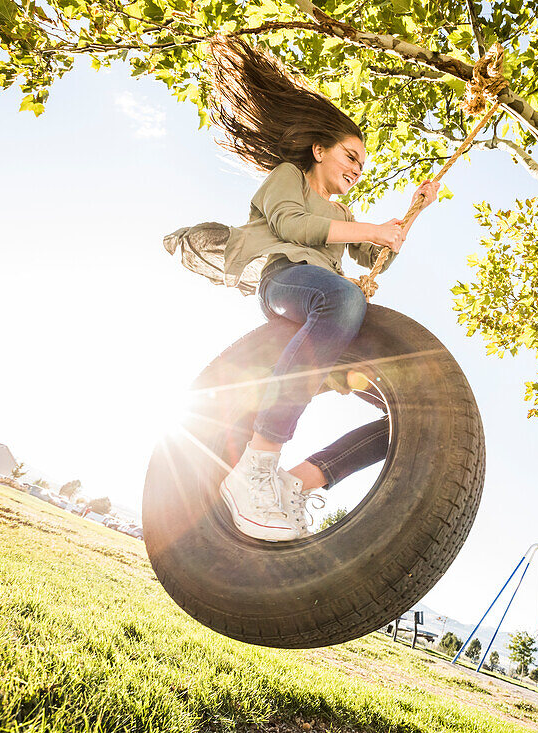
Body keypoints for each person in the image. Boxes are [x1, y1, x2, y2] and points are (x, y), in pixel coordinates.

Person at [210, 38, 438, 542]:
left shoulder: (342, 213)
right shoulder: (288, 177)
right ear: (319, 150)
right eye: (351, 156)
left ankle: (298, 482)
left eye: (363, 166)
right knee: (341, 297)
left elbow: (370, 256)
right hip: (287, 282)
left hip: (331, 304)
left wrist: (410, 214)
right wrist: (373, 230)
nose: (357, 170)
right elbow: (292, 228)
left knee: (417, 414)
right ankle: (259, 461)